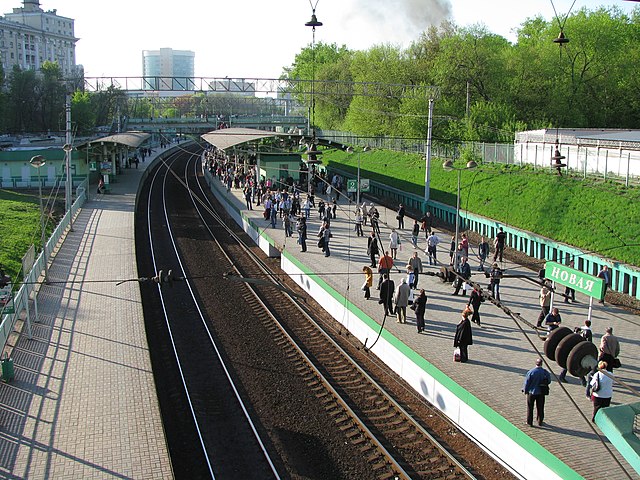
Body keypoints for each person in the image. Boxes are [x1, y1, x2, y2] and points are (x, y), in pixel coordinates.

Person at [559, 320, 592, 384]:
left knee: (569, 362)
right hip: (580, 350)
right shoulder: (588, 331)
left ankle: (562, 375)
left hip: (573, 347)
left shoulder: (579, 330)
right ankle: (583, 381)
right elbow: (589, 342)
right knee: (577, 364)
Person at [522, 358, 551, 427]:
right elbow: (549, 381)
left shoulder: (531, 372)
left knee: (530, 407)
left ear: (536, 363)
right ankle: (540, 421)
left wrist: (525, 390)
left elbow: (527, 383)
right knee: (540, 407)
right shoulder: (545, 372)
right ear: (541, 364)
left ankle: (529, 422)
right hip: (541, 392)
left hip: (532, 392)